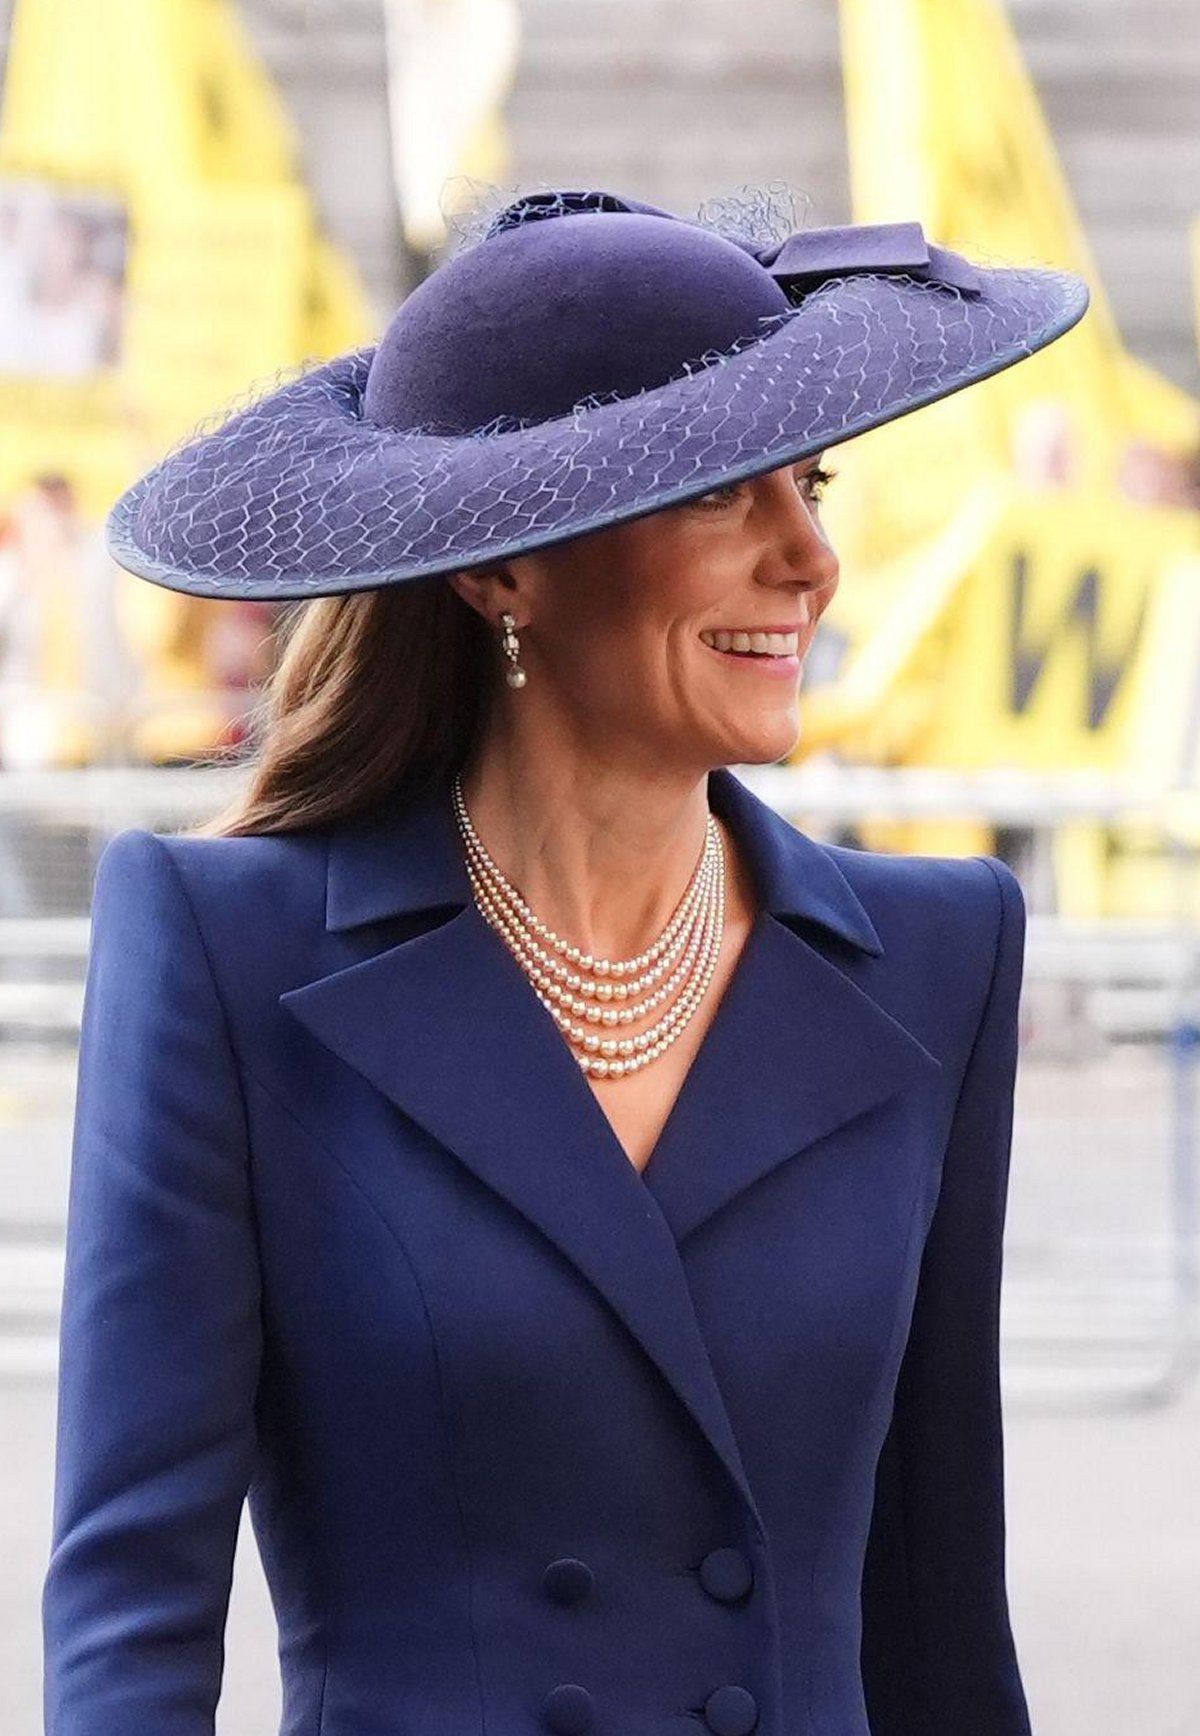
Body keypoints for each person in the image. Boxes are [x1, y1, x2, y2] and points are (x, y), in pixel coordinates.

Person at [41, 185, 1089, 1736]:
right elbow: (132, 1613)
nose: (809, 559)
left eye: (811, 484)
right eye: (726, 495)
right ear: (501, 569)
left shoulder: (940, 956)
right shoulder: (225, 949)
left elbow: (934, 1610)